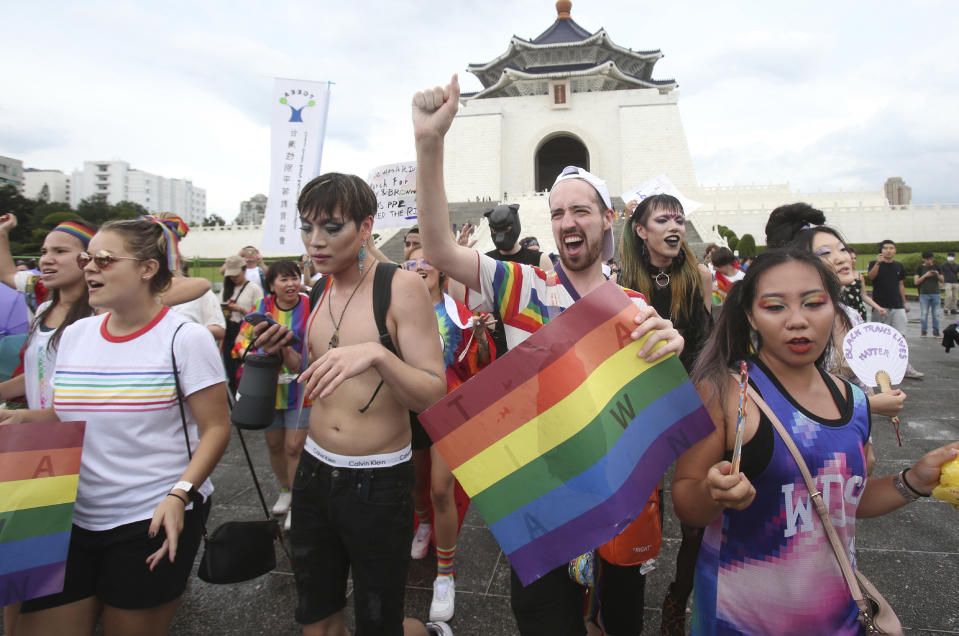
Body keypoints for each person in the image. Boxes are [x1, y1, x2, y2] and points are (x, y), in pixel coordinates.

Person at [412, 74, 684, 636]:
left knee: (620, 623)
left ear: (607, 220)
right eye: (558, 213)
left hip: (617, 493)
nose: (567, 223)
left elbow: (656, 410)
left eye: (581, 211)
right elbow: (438, 248)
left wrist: (672, 349)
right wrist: (429, 143)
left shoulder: (631, 305)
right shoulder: (526, 287)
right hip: (540, 496)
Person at [672, 248, 958, 634]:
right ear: (750, 317)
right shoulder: (725, 391)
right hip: (740, 620)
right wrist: (713, 493)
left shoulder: (854, 401)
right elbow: (687, 504)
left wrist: (913, 482)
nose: (797, 321)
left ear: (835, 312)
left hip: (837, 616)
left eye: (814, 303)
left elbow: (839, 503)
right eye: (775, 307)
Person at [1, 216, 231, 636]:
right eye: (88, 258)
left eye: (104, 259)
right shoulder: (75, 335)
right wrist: (18, 419)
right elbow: (70, 411)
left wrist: (180, 494)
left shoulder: (184, 337)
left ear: (147, 268)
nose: (89, 267)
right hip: (68, 514)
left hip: (151, 517)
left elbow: (216, 428)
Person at [252, 173, 451, 636]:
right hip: (316, 476)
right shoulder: (320, 289)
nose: (314, 242)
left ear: (365, 227)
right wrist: (287, 348)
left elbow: (432, 393)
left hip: (378, 482)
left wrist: (379, 355)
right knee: (316, 619)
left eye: (331, 227)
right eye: (307, 227)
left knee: (379, 623)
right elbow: (325, 370)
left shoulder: (400, 287)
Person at [617, 194, 712, 635]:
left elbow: (709, 351)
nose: (674, 226)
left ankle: (679, 596)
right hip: (639, 412)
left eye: (679, 218)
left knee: (695, 520)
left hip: (690, 404)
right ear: (641, 230)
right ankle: (621, 591)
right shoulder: (619, 281)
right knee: (636, 506)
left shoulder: (700, 278)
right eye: (663, 218)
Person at [404, 246, 494, 623]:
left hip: (447, 410)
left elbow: (481, 366)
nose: (420, 265)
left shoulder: (460, 315)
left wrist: (482, 337)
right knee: (415, 482)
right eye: (412, 260)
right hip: (407, 409)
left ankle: (445, 573)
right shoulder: (399, 312)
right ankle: (422, 521)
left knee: (441, 488)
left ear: (441, 270)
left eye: (427, 260)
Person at [232, 259, 311, 532]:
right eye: (284, 279)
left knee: (294, 447)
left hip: (301, 388)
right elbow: (241, 342)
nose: (291, 284)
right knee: (275, 445)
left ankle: (298, 502)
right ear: (271, 285)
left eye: (295, 277)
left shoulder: (310, 305)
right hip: (269, 389)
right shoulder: (262, 308)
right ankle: (285, 489)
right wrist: (256, 349)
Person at [868, 239, 923, 378]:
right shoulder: (874, 264)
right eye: (885, 248)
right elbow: (871, 277)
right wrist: (878, 264)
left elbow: (901, 285)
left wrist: (904, 303)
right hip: (881, 306)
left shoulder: (898, 266)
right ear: (881, 250)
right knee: (880, 339)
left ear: (895, 250)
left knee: (900, 337)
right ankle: (880, 368)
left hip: (898, 306)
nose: (888, 250)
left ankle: (904, 366)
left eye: (891, 248)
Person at [220, 254, 263, 392]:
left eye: (236, 275)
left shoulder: (254, 289)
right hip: (229, 331)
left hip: (246, 332)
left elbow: (259, 314)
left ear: (244, 270)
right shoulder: (226, 288)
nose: (233, 278)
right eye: (231, 275)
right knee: (231, 373)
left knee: (244, 371)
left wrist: (240, 309)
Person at [841, 246, 884, 322]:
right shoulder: (837, 275)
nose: (853, 261)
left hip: (859, 312)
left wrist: (878, 308)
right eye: (851, 258)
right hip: (844, 312)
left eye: (855, 258)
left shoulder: (859, 276)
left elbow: (864, 296)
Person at [915, 250, 944, 338]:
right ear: (923, 259)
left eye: (931, 259)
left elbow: (942, 280)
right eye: (927, 259)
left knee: (936, 314)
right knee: (924, 313)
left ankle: (936, 332)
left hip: (936, 293)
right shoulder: (919, 268)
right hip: (924, 294)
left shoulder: (937, 267)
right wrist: (925, 275)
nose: (929, 261)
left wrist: (937, 275)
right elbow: (916, 282)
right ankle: (924, 331)